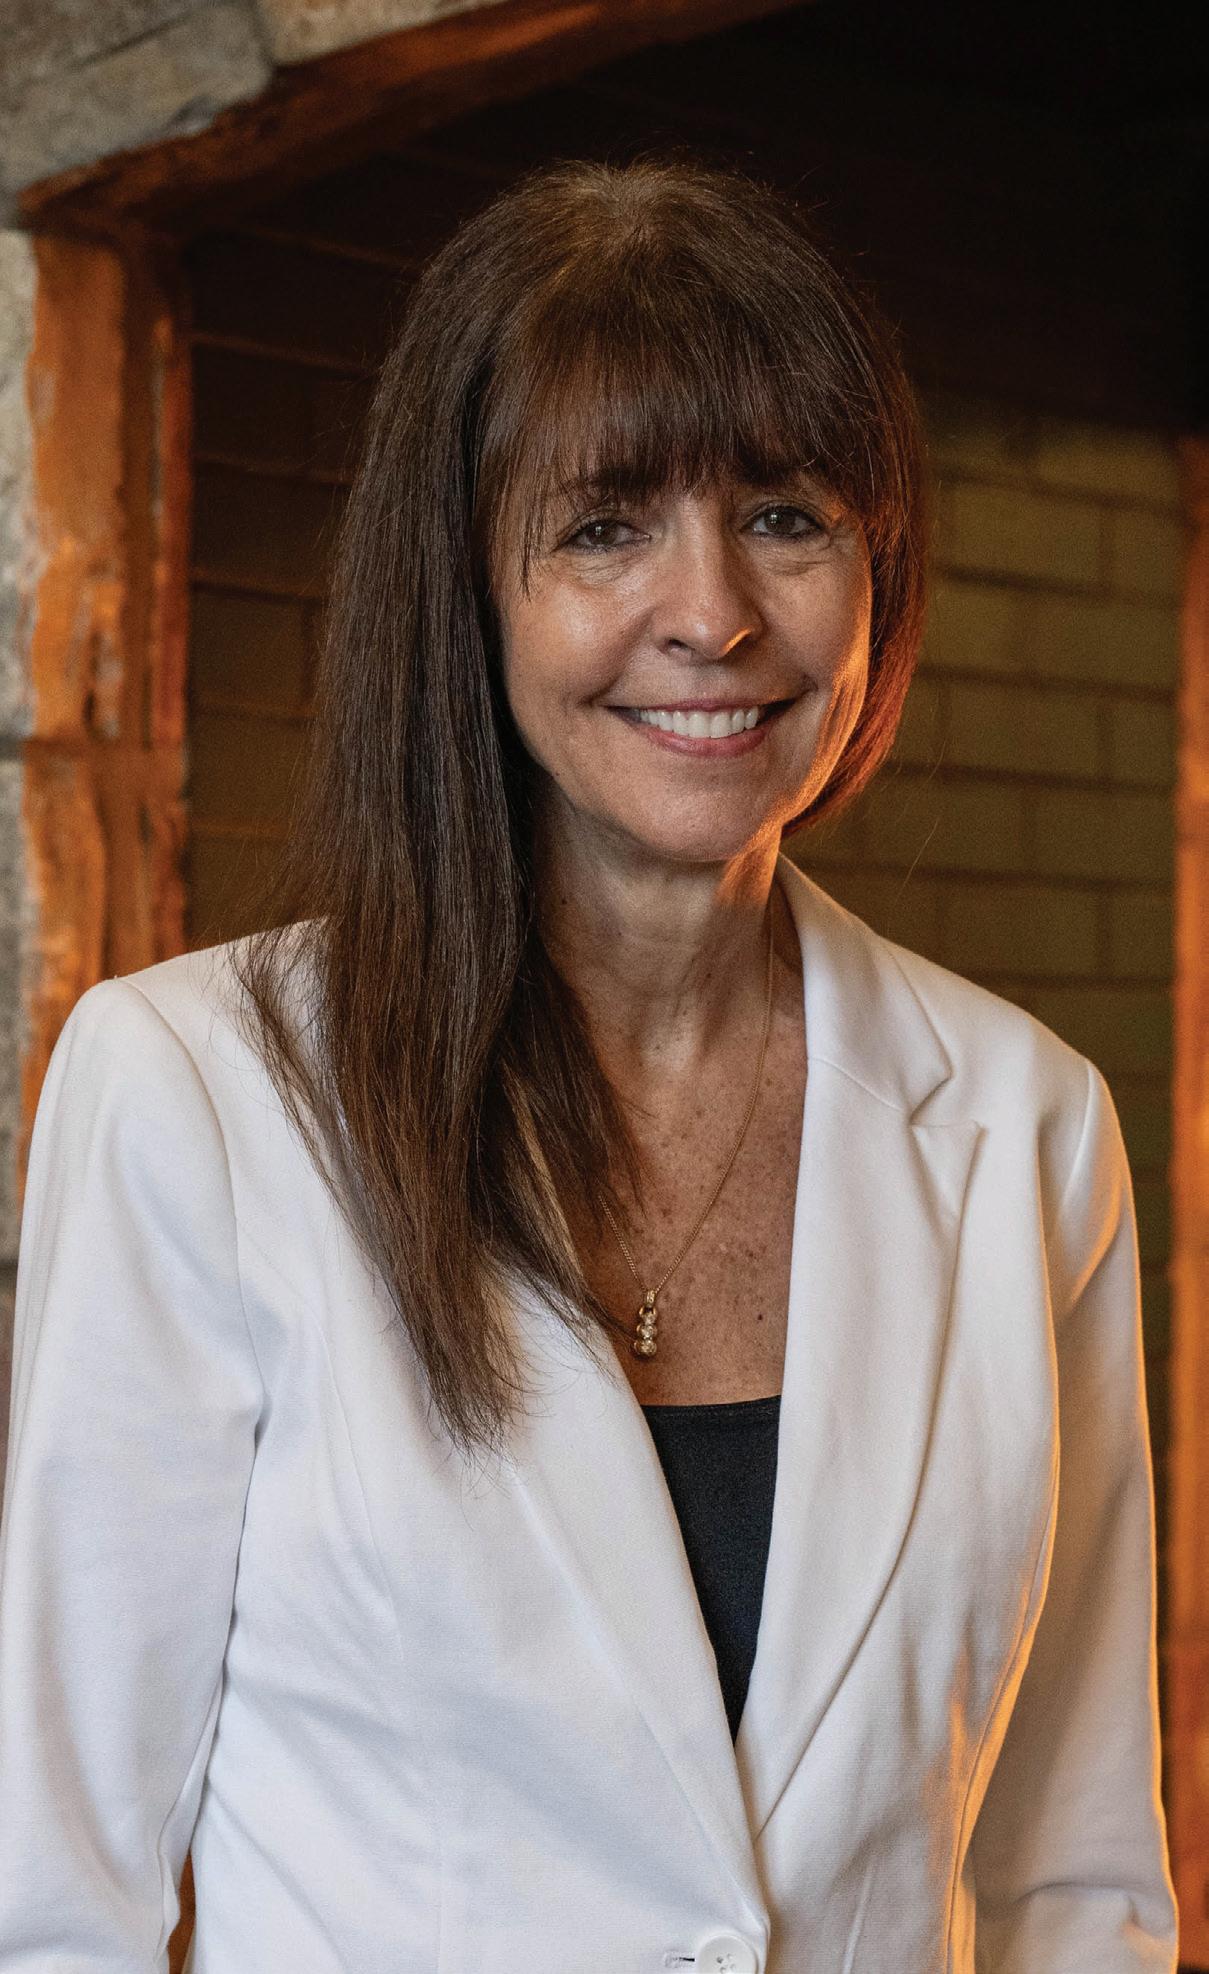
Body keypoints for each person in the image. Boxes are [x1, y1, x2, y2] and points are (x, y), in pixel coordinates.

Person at [0, 152, 1179, 1974]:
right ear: (463, 584)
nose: (712, 613)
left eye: (783, 515)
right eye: (604, 525)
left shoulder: (1029, 1124)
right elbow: (54, 1903)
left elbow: (1071, 1883)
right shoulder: (194, 1096)